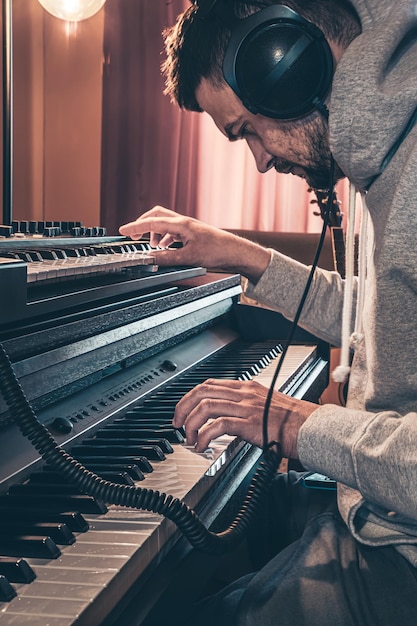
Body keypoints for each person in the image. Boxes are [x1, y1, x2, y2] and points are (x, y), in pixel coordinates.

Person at [119, 1, 417, 624]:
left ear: (284, 64)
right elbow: (382, 321)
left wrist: (291, 422)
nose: (258, 160)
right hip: (375, 524)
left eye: (245, 129)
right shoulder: (382, 158)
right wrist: (236, 253)